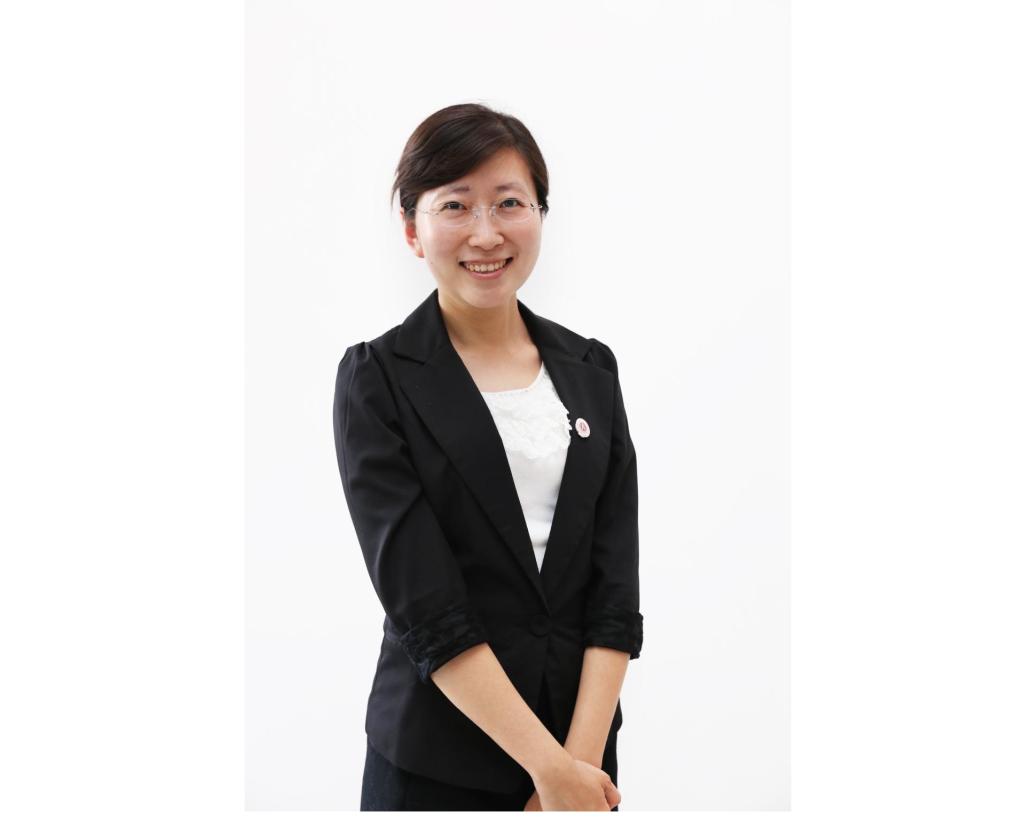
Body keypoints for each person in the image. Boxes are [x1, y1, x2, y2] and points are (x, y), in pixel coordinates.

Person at [332, 102, 643, 811]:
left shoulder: (591, 369)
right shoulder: (377, 380)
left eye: (509, 202)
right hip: (436, 761)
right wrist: (548, 768)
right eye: (455, 205)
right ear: (411, 228)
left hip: (582, 760)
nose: (486, 232)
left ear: (540, 214)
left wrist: (576, 767)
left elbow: (614, 590)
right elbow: (425, 607)